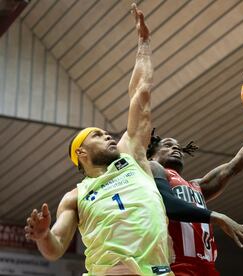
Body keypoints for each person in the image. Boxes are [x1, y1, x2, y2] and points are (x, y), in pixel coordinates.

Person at [24, 4, 173, 275]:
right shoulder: (75, 197)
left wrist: (144, 44)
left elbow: (141, 92)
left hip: (157, 271)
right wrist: (43, 235)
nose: (107, 135)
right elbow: (55, 247)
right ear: (81, 153)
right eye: (97, 134)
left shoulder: (133, 156)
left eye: (106, 133)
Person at [147, 95, 243, 275]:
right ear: (151, 156)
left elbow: (235, 165)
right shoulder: (152, 170)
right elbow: (169, 204)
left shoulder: (195, 186)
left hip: (207, 268)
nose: (176, 148)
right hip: (177, 266)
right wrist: (216, 216)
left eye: (178, 146)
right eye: (168, 145)